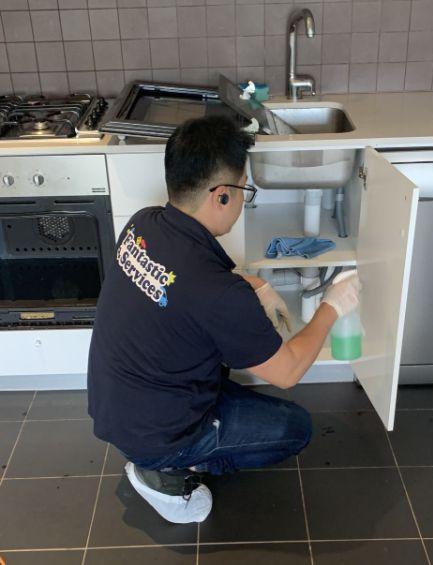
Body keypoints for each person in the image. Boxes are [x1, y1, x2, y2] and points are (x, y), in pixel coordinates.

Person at [87, 116, 360, 525]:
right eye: (244, 190)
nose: (244, 200)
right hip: (158, 435)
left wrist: (256, 285)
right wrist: (332, 306)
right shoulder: (218, 294)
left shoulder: (144, 223)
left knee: (222, 368)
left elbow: (179, 281)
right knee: (294, 428)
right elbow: (287, 373)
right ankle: (167, 471)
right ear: (221, 196)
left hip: (117, 406)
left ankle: (169, 451)